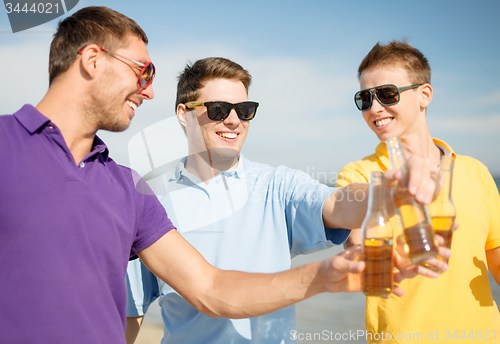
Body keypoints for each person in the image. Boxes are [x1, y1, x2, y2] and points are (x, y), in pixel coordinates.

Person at [125, 57, 450, 344]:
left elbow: (339, 204)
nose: (235, 121)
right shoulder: (150, 203)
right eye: (219, 110)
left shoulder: (277, 185)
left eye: (245, 110)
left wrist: (389, 191)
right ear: (184, 114)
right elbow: (131, 312)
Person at [336, 40, 500, 343]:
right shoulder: (358, 175)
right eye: (364, 99)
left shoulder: (474, 171)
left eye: (387, 94)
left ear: (424, 95)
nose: (374, 108)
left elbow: (496, 259)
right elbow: (362, 257)